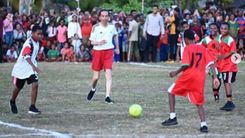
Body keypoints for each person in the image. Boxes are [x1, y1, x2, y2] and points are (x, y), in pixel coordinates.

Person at [161, 29, 220, 133]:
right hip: (200, 78)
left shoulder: (188, 48)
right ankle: (203, 124)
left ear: (186, 39)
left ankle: (173, 117)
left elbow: (186, 65)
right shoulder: (202, 48)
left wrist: (176, 72)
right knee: (199, 102)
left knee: (171, 91)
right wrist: (215, 77)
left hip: (188, 76)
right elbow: (211, 63)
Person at [87, 9, 120, 104]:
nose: (105, 18)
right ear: (99, 17)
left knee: (108, 73)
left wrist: (117, 47)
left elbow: (115, 36)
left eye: (106, 16)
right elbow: (91, 41)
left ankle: (107, 97)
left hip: (109, 52)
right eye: (103, 16)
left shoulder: (112, 27)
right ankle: (93, 89)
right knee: (96, 77)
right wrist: (98, 42)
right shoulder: (95, 27)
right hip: (97, 52)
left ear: (109, 17)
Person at [10, 25, 42, 114]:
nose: (40, 36)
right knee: (18, 87)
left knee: (35, 84)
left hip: (30, 68)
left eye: (40, 34)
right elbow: (26, 56)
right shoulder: (29, 43)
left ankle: (32, 107)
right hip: (23, 67)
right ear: (32, 33)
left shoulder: (37, 42)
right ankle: (12, 101)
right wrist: (33, 66)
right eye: (38, 34)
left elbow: (32, 56)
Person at [216, 22, 238, 111]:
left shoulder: (230, 39)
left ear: (228, 30)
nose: (223, 30)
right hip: (222, 65)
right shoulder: (218, 38)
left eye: (225, 29)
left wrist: (222, 57)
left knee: (227, 82)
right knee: (225, 82)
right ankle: (229, 102)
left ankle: (230, 102)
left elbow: (233, 51)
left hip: (229, 65)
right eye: (222, 28)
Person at [201, 23, 222, 102]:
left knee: (219, 78)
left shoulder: (221, 38)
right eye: (211, 28)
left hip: (221, 61)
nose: (213, 30)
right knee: (215, 77)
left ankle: (216, 92)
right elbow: (202, 49)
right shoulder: (206, 39)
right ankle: (216, 94)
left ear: (218, 29)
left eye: (215, 28)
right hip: (211, 63)